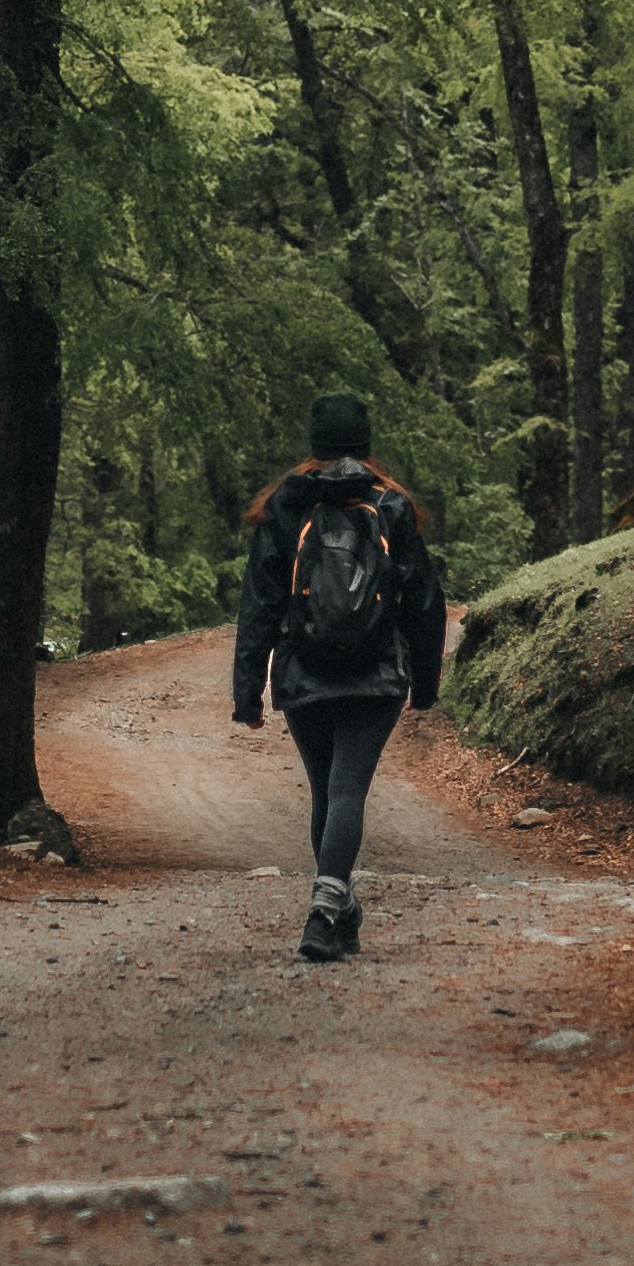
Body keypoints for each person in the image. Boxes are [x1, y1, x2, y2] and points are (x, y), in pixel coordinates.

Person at [231, 389, 445, 961]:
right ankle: (329, 910)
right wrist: (425, 684)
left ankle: (337, 908)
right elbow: (424, 601)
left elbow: (259, 604)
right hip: (376, 675)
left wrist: (247, 693)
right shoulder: (392, 506)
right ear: (366, 442)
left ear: (315, 442)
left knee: (327, 790)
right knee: (349, 788)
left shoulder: (285, 505)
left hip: (302, 674)